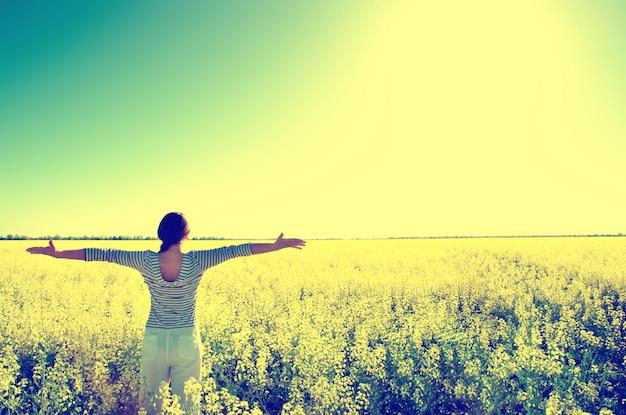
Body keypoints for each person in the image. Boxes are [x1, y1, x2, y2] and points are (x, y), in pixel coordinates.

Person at [26, 212, 305, 414]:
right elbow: (237, 250)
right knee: (188, 406)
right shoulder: (198, 260)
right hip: (187, 340)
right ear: (187, 234)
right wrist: (275, 246)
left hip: (154, 340)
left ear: (162, 233)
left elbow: (102, 253)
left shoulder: (145, 259)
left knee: (151, 406)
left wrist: (58, 253)